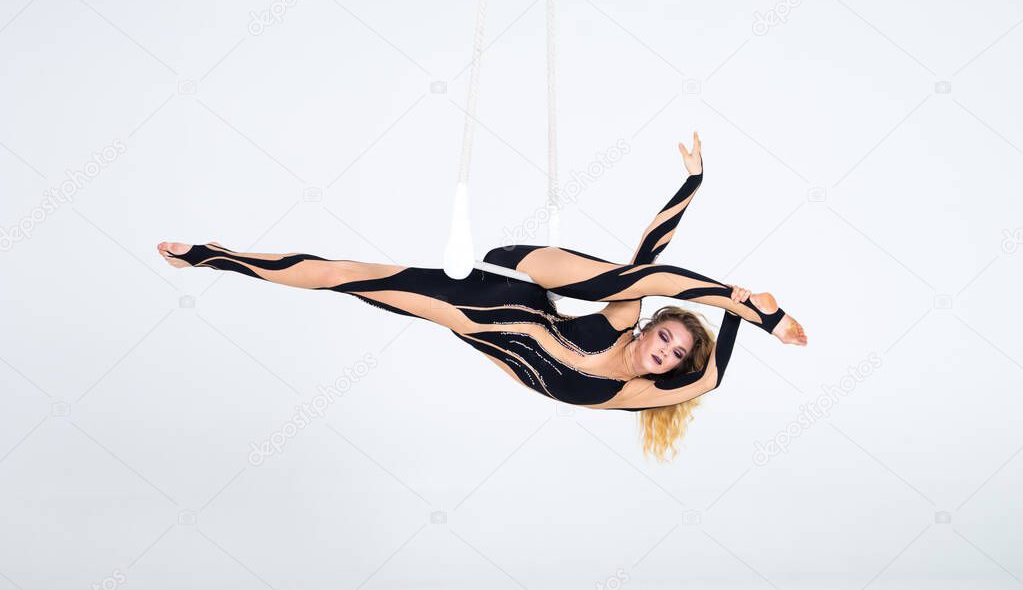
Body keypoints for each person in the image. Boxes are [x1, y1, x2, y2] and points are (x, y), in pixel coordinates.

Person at [158, 132, 806, 461]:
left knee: (344, 277)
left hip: (477, 309)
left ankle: (211, 256)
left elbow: (713, 377)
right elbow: (647, 259)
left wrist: (731, 326)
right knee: (625, 281)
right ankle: (750, 302)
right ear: (647, 332)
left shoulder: (635, 394)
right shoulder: (619, 326)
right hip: (529, 275)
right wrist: (691, 184)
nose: (659, 352)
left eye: (670, 356)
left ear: (669, 373)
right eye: (663, 336)